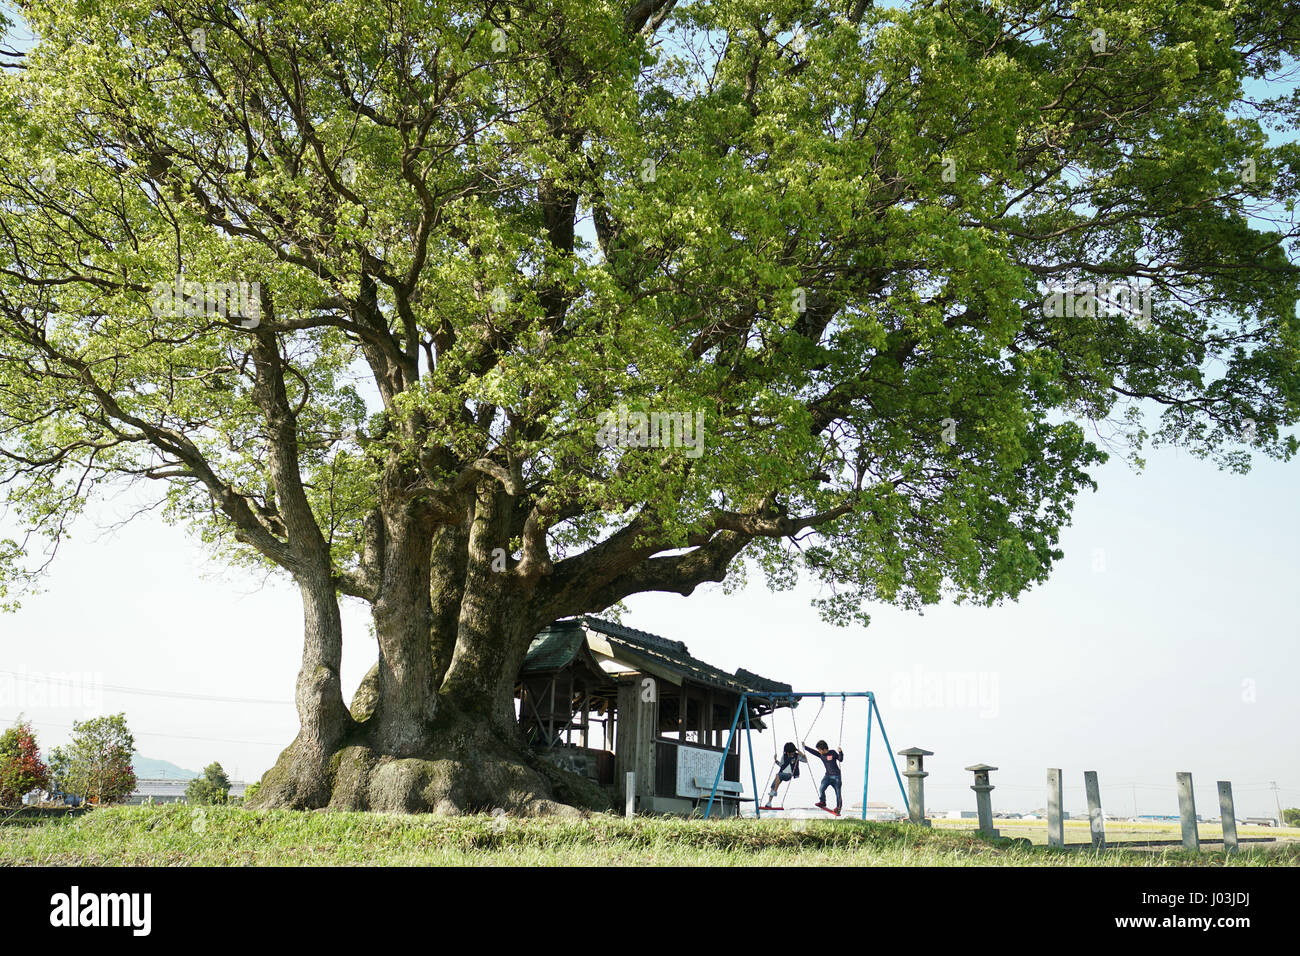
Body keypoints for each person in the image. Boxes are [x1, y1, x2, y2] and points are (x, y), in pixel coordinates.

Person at [804, 739, 845, 815]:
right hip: (828, 776)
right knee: (821, 788)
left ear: (825, 749)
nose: (819, 751)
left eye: (819, 750)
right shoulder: (821, 755)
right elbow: (813, 752)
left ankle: (838, 808)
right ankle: (823, 802)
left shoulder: (832, 752)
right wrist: (805, 747)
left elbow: (840, 759)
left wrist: (840, 752)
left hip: (836, 777)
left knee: (838, 793)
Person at [763, 742, 803, 808]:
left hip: (788, 775)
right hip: (781, 773)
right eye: (788, 753)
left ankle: (775, 791)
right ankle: (769, 802)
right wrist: (776, 760)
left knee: (778, 775)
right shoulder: (784, 756)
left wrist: (799, 752)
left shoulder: (797, 756)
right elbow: (781, 765)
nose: (790, 754)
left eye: (791, 752)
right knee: (773, 785)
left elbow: (805, 760)